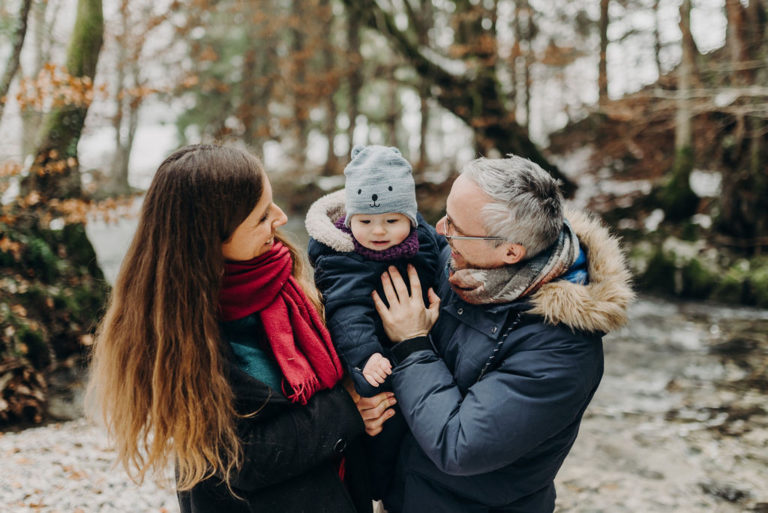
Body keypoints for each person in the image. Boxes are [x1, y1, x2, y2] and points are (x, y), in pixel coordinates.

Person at [86, 144, 395, 513]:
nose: (280, 218)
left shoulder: (276, 273)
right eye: (262, 216)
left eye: (272, 203)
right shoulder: (178, 331)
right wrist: (346, 411)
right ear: (211, 238)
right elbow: (237, 458)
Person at [371, 155, 635, 513]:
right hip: (405, 493)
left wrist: (412, 345)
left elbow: (459, 444)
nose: (439, 228)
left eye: (456, 226)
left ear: (511, 251)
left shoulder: (563, 350)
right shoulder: (465, 264)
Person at [305, 145, 442, 500]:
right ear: (350, 219)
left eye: (391, 221)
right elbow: (346, 312)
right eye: (365, 221)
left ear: (410, 218)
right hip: (373, 358)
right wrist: (366, 357)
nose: (378, 231)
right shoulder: (343, 258)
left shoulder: (423, 240)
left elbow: (443, 262)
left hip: (420, 347)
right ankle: (377, 493)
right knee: (382, 426)